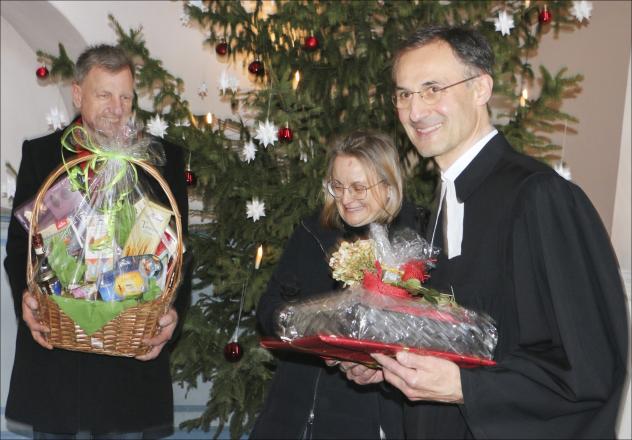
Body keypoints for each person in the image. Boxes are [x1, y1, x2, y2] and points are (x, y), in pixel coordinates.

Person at [342, 26, 629, 438]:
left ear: (480, 88)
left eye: (433, 88)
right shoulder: (440, 205)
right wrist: (391, 369)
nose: (415, 111)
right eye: (404, 94)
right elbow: (466, 345)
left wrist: (464, 387)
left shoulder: (539, 197)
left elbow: (589, 370)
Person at [4, 44, 191, 438]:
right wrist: (26, 297)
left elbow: (179, 255)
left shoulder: (161, 160)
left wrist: (173, 313)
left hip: (128, 355)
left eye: (125, 96)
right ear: (77, 94)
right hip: (57, 353)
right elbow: (19, 248)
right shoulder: (42, 155)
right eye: (104, 94)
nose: (116, 107)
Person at [252, 130, 428, 439]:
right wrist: (312, 327)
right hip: (301, 406)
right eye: (338, 186)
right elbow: (268, 310)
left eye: (359, 187)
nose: (345, 199)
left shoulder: (417, 239)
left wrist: (381, 367)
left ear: (388, 186)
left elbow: (433, 332)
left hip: (381, 413)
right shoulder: (312, 232)